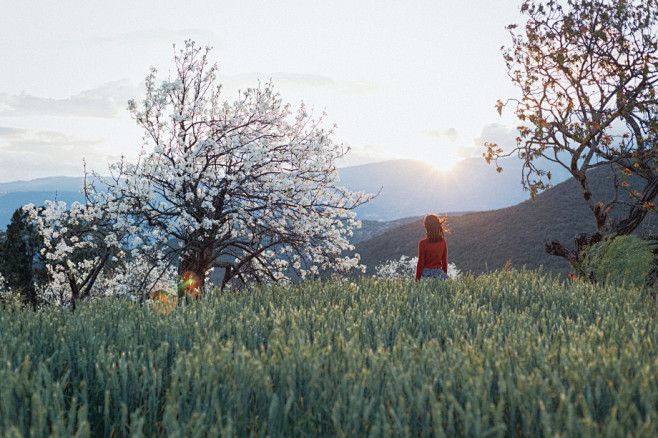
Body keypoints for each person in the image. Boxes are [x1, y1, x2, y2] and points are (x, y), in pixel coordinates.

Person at [415, 213, 449, 281]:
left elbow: (420, 264)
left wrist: (417, 281)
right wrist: (444, 276)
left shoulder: (423, 243)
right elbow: (444, 262)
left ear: (426, 227)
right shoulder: (443, 242)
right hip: (439, 274)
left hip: (426, 275)